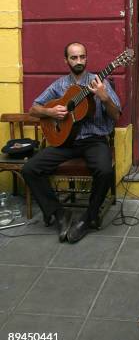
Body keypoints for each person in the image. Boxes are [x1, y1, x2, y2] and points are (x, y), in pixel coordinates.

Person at [22, 42, 121, 244]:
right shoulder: (59, 85)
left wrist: (104, 98)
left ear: (87, 58)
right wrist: (49, 112)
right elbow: (33, 109)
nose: (78, 61)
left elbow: (116, 115)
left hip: (93, 140)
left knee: (105, 170)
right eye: (74, 57)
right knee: (30, 168)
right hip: (65, 141)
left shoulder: (98, 82)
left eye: (82, 57)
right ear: (66, 60)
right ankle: (59, 213)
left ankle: (88, 217)